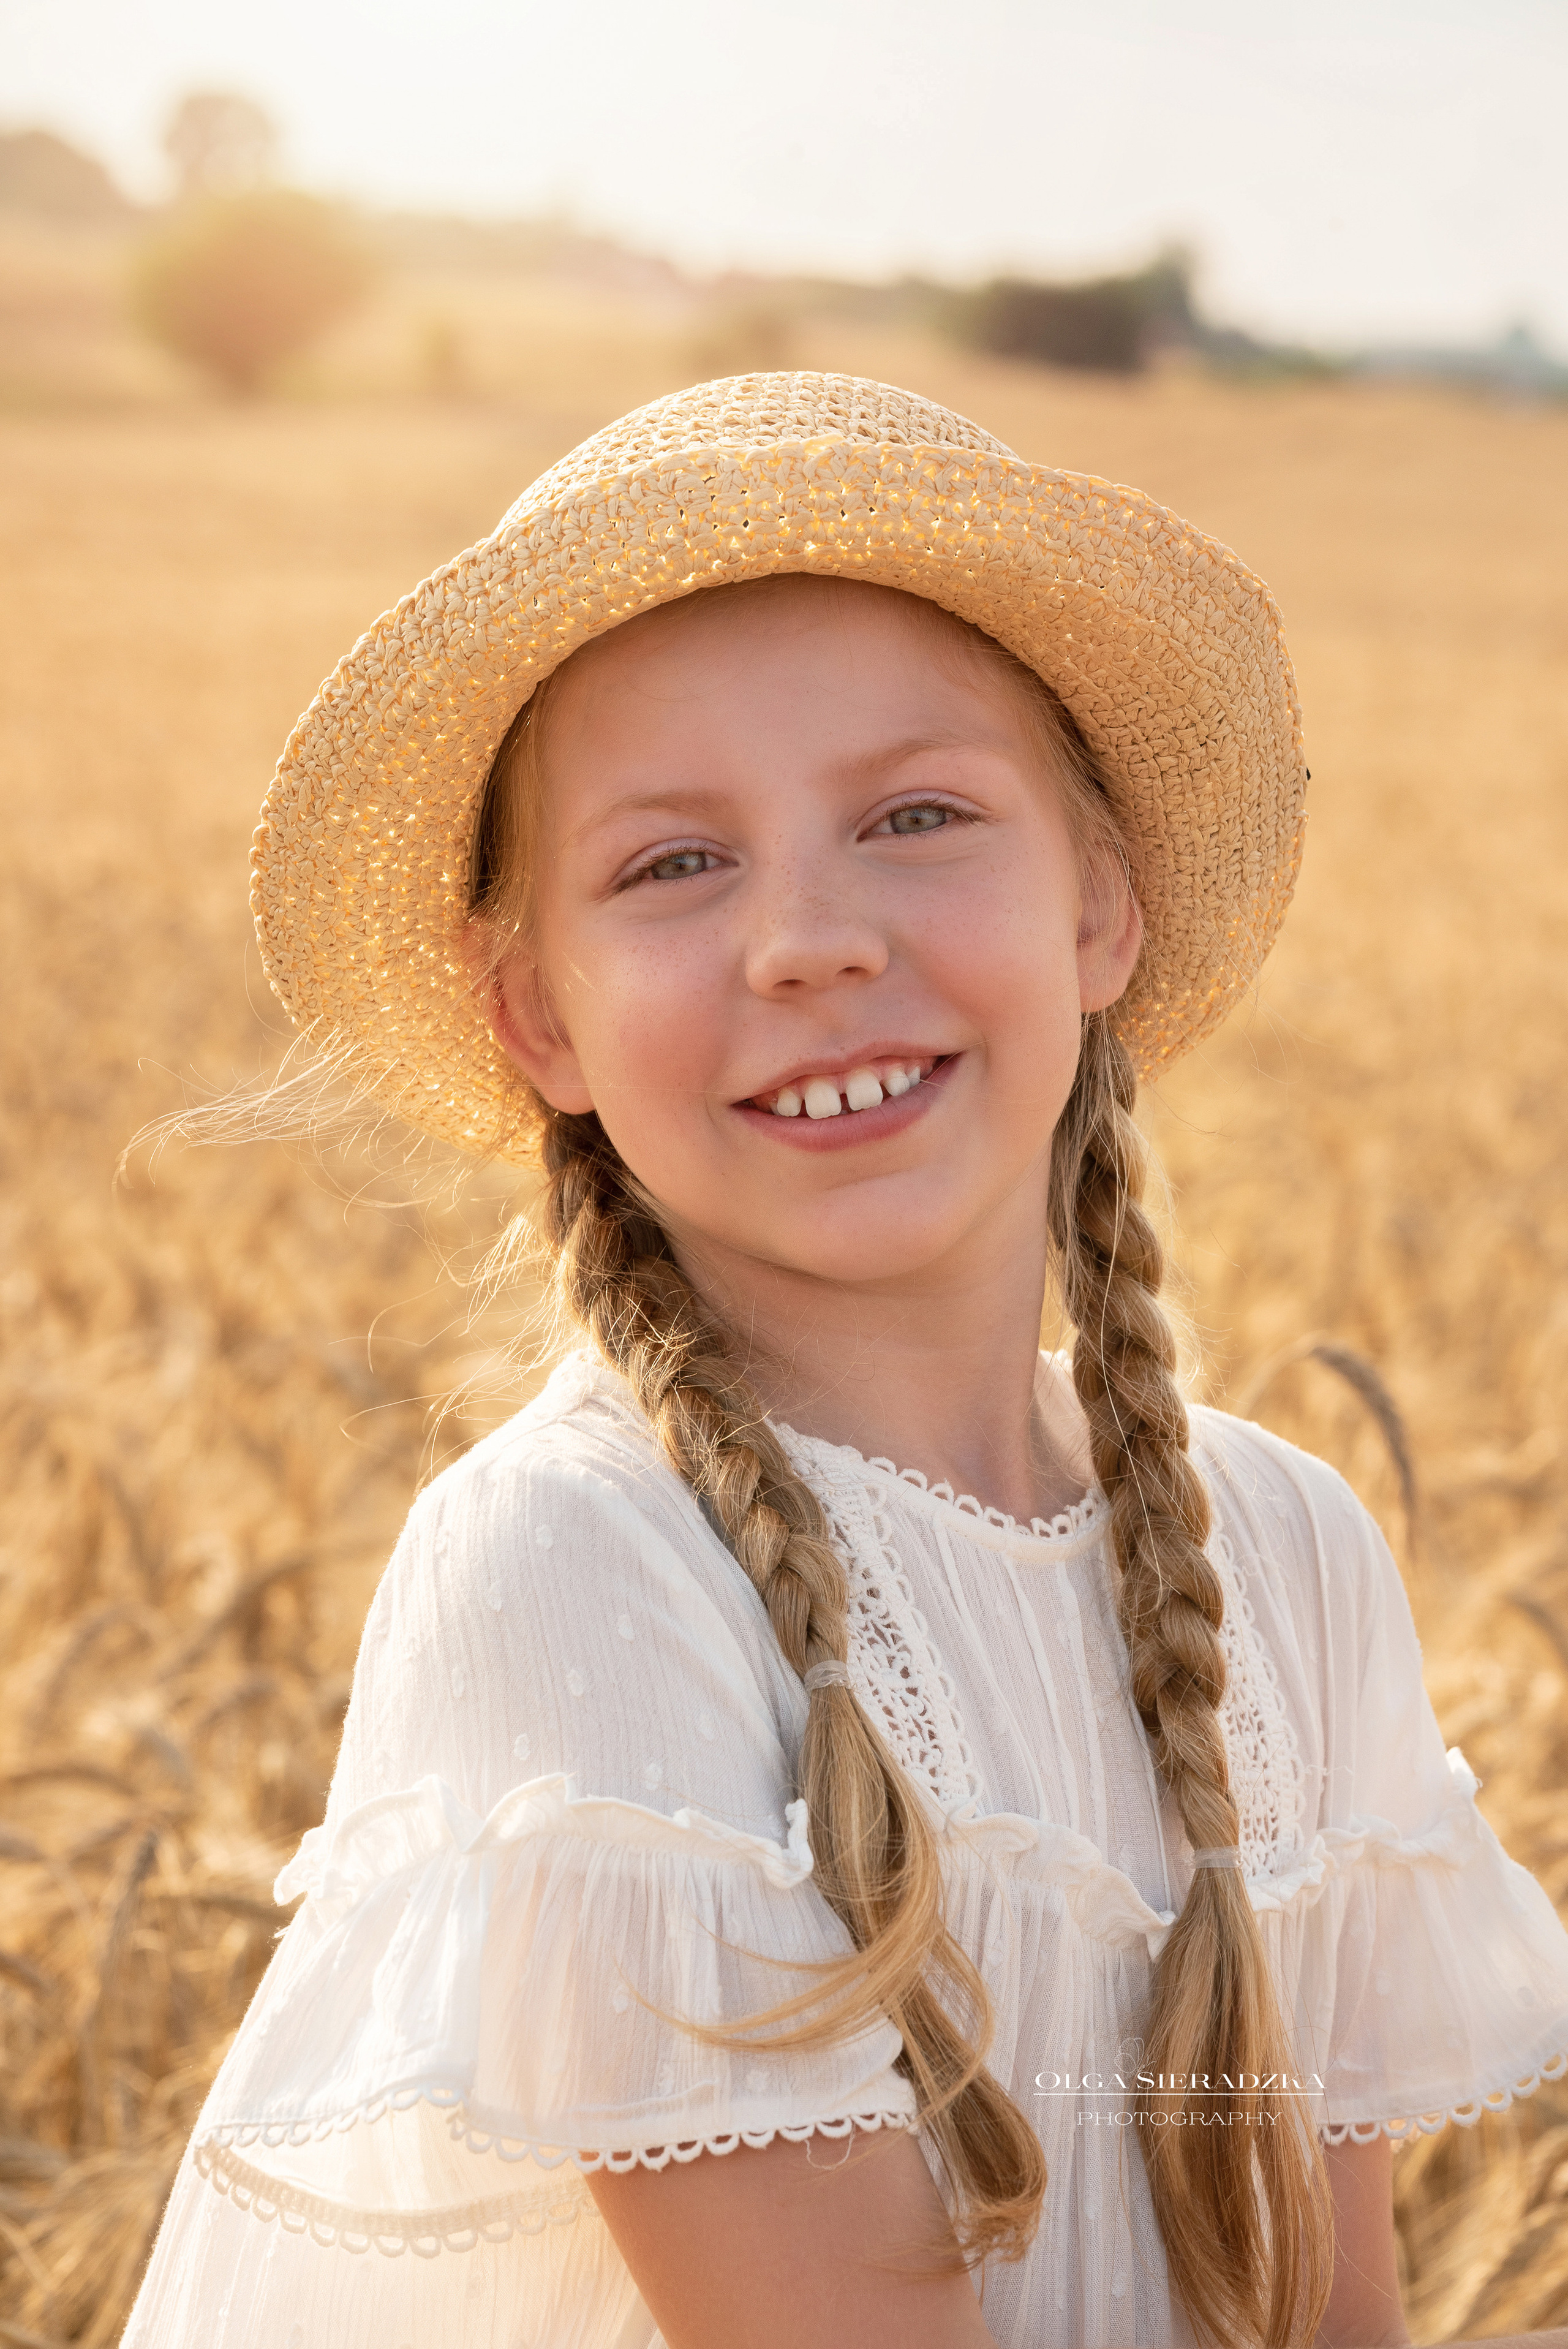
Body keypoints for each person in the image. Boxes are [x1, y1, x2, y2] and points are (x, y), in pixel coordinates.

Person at [119, 373, 1568, 2349]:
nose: (808, 938)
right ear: (536, 1011)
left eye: (916, 815)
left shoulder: (1291, 1553)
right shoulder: (575, 1564)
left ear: (1102, 901)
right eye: (671, 865)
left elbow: (1336, 2317)